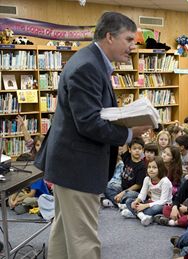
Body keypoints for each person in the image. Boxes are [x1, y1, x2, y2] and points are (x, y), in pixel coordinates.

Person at [34, 12, 151, 259]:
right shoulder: (88, 66)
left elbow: (90, 114)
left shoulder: (90, 61)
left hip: (71, 166)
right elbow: (88, 122)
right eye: (129, 38)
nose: (133, 45)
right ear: (109, 36)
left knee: (65, 234)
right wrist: (128, 133)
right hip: (78, 168)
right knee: (84, 240)